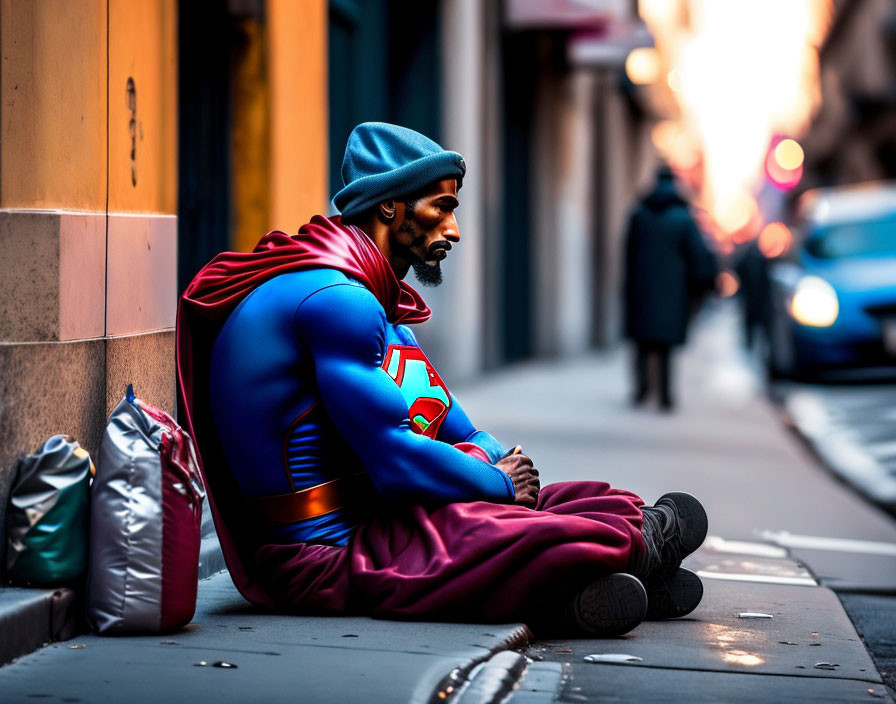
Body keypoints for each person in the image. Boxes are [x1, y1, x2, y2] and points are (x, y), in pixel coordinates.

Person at [177, 123, 708, 637]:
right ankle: (638, 550)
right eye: (442, 207)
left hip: (367, 521)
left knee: (559, 501)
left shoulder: (367, 299)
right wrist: (498, 481)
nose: (453, 230)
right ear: (390, 205)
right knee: (485, 526)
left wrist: (497, 468)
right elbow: (397, 463)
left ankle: (587, 584)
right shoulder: (339, 303)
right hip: (315, 558)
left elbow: (451, 422)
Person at [623, 165, 717, 411]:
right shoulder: (684, 219)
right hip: (672, 292)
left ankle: (641, 390)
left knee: (643, 342)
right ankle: (665, 395)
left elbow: (628, 255)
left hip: (642, 288)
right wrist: (701, 286)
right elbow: (698, 257)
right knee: (665, 345)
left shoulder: (639, 214)